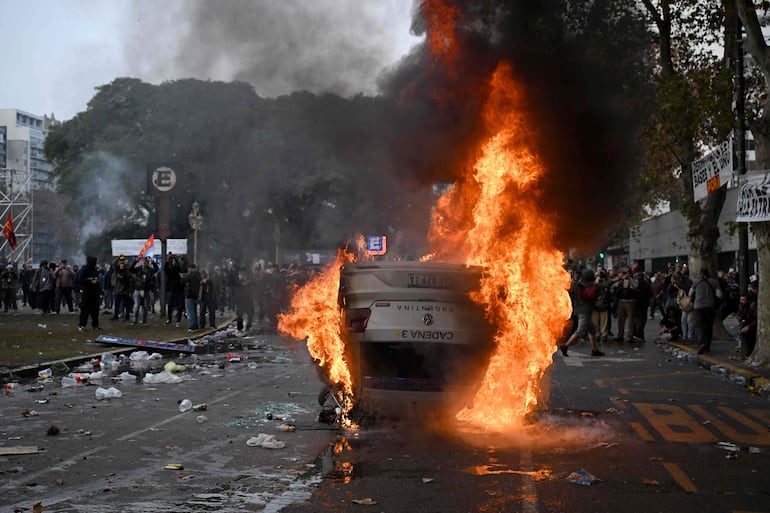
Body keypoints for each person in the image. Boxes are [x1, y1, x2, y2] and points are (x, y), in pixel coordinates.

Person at [558, 269, 604, 357]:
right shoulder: (590, 285)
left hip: (580, 310)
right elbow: (603, 285)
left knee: (592, 330)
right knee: (581, 331)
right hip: (584, 312)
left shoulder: (576, 285)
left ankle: (594, 350)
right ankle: (565, 346)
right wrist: (615, 280)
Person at [688, 268, 722, 354]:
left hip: (698, 307)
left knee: (699, 326)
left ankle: (700, 343)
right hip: (709, 307)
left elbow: (690, 294)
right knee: (708, 327)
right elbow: (719, 295)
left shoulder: (696, 282)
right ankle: (707, 345)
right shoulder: (714, 282)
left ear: (700, 274)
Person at [611, 267, 637, 344]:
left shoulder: (633, 279)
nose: (625, 274)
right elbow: (613, 287)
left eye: (627, 272)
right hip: (621, 301)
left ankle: (630, 336)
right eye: (624, 272)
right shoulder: (621, 281)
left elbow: (636, 286)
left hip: (631, 301)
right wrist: (621, 279)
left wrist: (629, 278)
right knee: (620, 320)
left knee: (631, 320)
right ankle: (620, 335)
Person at [77, 256, 102, 331]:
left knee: (95, 311)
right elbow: (80, 280)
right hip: (86, 294)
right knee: (85, 311)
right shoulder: (84, 270)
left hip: (95, 294)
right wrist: (90, 282)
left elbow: (98, 281)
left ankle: (95, 326)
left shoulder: (95, 271)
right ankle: (82, 325)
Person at [131, 256, 158, 325]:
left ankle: (144, 320)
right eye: (143, 262)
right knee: (136, 306)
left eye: (145, 262)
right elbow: (131, 269)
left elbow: (156, 269)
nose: (144, 263)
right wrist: (135, 261)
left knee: (145, 306)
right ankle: (134, 320)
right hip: (138, 289)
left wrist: (152, 261)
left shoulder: (150, 270)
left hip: (146, 289)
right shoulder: (138, 269)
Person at [735, 285, 757, 358]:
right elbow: (740, 314)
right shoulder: (741, 306)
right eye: (741, 300)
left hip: (752, 325)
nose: (742, 302)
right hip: (747, 323)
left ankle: (750, 352)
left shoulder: (752, 306)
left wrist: (749, 327)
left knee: (750, 335)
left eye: (744, 300)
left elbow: (756, 319)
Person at [164, 254, 185, 327]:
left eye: (174, 261)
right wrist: (167, 261)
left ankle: (178, 320)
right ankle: (169, 319)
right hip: (171, 289)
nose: (173, 262)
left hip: (179, 290)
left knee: (179, 306)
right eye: (172, 261)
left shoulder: (179, 269)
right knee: (170, 305)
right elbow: (165, 270)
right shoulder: (169, 270)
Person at [182, 262, 202, 331]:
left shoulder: (190, 275)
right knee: (194, 311)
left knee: (190, 312)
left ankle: (192, 326)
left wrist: (183, 276)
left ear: (190, 268)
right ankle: (196, 325)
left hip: (190, 295)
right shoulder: (199, 274)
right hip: (196, 295)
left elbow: (183, 281)